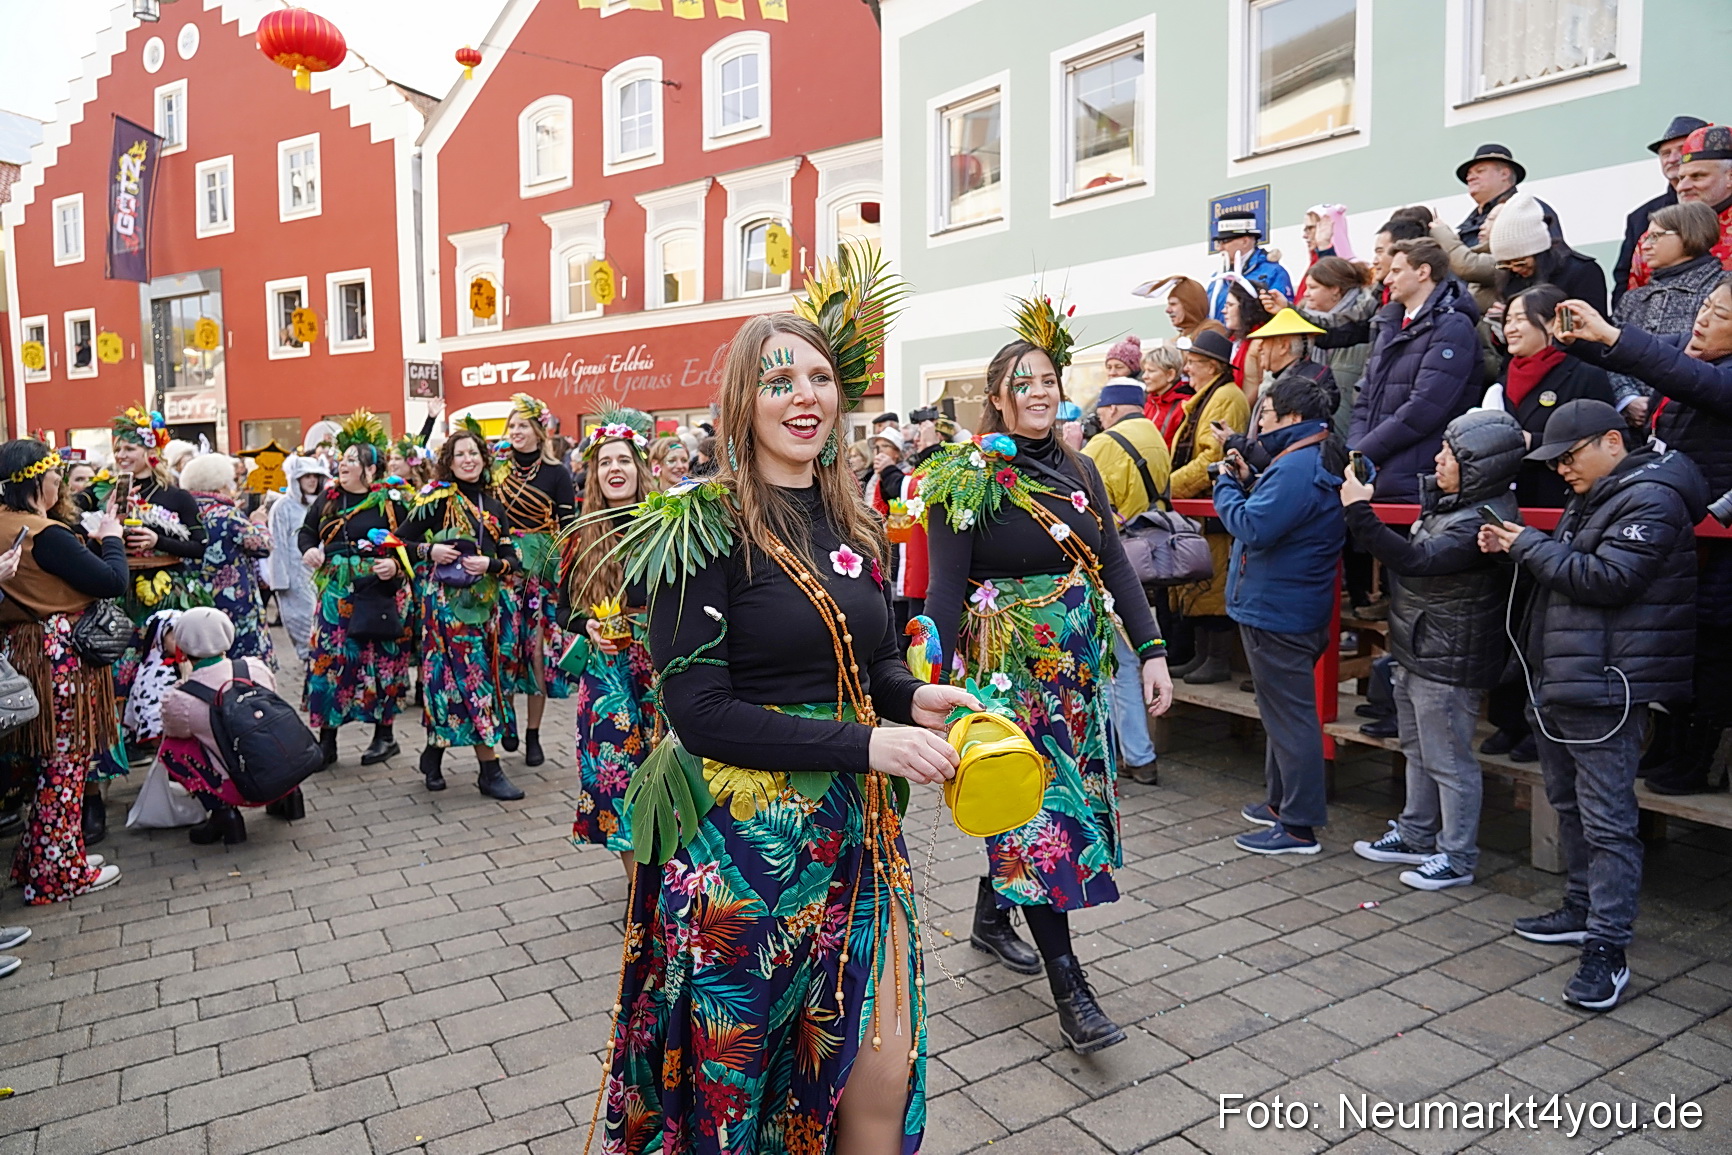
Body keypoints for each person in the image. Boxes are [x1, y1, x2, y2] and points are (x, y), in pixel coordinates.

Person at [592, 267, 977, 1153]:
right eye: (779, 381)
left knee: (880, 1069)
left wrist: (911, 695)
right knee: (745, 1097)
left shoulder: (856, 523)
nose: (805, 397)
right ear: (743, 401)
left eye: (819, 378)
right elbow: (699, 711)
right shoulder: (699, 528)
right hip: (745, 857)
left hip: (859, 834)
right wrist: (872, 744)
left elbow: (871, 659)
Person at [923, 295, 1173, 1055]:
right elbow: (943, 590)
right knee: (1039, 819)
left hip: (1076, 676)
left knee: (1040, 812)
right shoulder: (964, 476)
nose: (1039, 391)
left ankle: (990, 914)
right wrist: (924, 682)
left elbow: (1114, 566)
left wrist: (1152, 650)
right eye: (1023, 382)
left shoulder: (1080, 466)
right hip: (1007, 675)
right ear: (997, 398)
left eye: (1048, 380)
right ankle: (1072, 992)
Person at [1478, 399, 1705, 1010]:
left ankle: (1608, 947)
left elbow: (1608, 580)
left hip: (1607, 683)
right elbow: (1573, 569)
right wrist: (1517, 547)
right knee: (1570, 805)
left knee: (1607, 822)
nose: (1562, 470)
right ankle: (1581, 909)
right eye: (1555, 461)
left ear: (1612, 441)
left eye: (1569, 456)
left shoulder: (1651, 497)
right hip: (1566, 674)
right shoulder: (1600, 492)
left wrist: (1528, 545)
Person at [1554, 285, 1732, 796]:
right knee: (1673, 638)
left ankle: (1700, 758)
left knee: (1713, 644)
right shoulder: (1689, 350)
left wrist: (1610, 336)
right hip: (1679, 523)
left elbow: (1683, 376)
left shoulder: (1711, 372)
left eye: (1719, 314)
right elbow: (1647, 351)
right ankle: (1669, 743)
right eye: (1704, 306)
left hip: (1719, 538)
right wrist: (1581, 338)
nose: (1702, 320)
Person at [1343, 410, 1525, 889]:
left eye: (1451, 454)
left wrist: (1359, 510)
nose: (1438, 459)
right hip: (1419, 644)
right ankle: (1415, 833)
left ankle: (1457, 856)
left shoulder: (1483, 519)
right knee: (1417, 748)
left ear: (1480, 466)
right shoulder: (1451, 504)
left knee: (1449, 759)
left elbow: (1416, 560)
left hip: (1450, 656)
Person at [1215, 378, 1344, 857]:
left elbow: (1253, 525)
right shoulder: (1308, 456)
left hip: (1278, 611)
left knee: (1292, 720)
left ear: (1291, 417)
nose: (1261, 423)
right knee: (1282, 716)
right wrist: (1251, 480)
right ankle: (1281, 804)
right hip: (1290, 606)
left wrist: (1227, 485)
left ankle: (1298, 825)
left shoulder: (1297, 466)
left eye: (1265, 414)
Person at [0, 440, 127, 903]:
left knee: (44, 765)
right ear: (37, 482)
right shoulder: (44, 533)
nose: (60, 485)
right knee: (65, 763)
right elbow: (112, 581)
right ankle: (58, 875)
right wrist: (112, 538)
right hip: (58, 655)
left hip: (21, 649)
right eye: (56, 477)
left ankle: (41, 859)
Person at [399, 426, 522, 801]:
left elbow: (512, 558)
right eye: (460, 454)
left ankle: (433, 752)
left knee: (462, 681)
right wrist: (429, 551)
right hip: (445, 608)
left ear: (484, 459)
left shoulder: (493, 504)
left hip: (487, 607)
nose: (468, 460)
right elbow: (399, 540)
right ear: (449, 463)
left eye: (474, 453)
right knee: (465, 679)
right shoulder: (436, 499)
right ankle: (489, 770)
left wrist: (491, 564)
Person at [559, 414, 657, 884]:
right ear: (594, 474)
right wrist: (588, 625)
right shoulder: (579, 534)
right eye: (604, 462)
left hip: (659, 668)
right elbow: (562, 609)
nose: (614, 468)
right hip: (606, 673)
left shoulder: (665, 525)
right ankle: (638, 891)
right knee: (616, 775)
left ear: (640, 468)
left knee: (667, 774)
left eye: (623, 460)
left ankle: (668, 883)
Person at [298, 411, 413, 770]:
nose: (342, 464)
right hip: (336, 593)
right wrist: (309, 550)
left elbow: (412, 543)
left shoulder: (392, 501)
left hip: (379, 590)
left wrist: (395, 565)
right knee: (329, 660)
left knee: (382, 661)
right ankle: (327, 741)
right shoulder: (329, 498)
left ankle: (385, 736)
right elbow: (307, 532)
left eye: (352, 460)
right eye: (342, 458)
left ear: (371, 469)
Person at [1084, 376, 1172, 786]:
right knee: (1130, 656)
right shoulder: (1157, 437)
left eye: (1102, 409)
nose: (1100, 417)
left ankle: (1137, 754)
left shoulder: (1103, 444)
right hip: (1148, 554)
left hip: (1112, 561)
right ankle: (1135, 753)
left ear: (1113, 408)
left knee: (1117, 663)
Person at [156, 606, 304, 846]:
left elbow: (173, 730)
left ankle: (223, 813)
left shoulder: (182, 698)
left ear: (182, 647)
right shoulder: (255, 668)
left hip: (240, 785)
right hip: (284, 768)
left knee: (171, 748)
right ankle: (291, 796)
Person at [1349, 240, 1482, 504]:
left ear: (1423, 272)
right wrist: (1356, 452)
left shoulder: (1453, 327)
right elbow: (1365, 398)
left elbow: (1424, 407)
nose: (1387, 280)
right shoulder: (1390, 324)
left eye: (1397, 271)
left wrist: (1366, 451)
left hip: (1417, 478)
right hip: (1378, 473)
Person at [493, 393, 577, 769]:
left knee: (536, 654)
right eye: (512, 426)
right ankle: (507, 720)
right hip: (503, 568)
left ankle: (533, 734)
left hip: (541, 572)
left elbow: (569, 527)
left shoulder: (557, 473)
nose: (516, 432)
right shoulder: (496, 471)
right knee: (505, 650)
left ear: (539, 431)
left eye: (523, 425)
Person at [1487, 285, 1618, 509]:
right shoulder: (1502, 382)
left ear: (1551, 323)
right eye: (1507, 320)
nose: (1510, 328)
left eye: (1520, 319)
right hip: (1511, 500)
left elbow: (1600, 441)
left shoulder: (1586, 374)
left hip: (1565, 500)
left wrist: (1534, 441)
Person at [1167, 329, 1249, 685]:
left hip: (1213, 505)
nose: (1187, 368)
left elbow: (1211, 456)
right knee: (1201, 579)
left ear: (1213, 366)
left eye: (1193, 362)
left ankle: (1216, 659)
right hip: (1200, 507)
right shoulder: (1210, 395)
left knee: (1213, 582)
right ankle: (1202, 655)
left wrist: (1169, 485)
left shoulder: (1225, 398)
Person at [1612, 201, 1728, 419]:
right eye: (1646, 237)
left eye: (1655, 236)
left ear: (1689, 233)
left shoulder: (1722, 290)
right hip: (1634, 425)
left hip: (1700, 417)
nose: (1645, 246)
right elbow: (1614, 353)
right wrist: (1627, 398)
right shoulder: (1633, 298)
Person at [180, 454, 274, 667]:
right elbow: (263, 546)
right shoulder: (227, 514)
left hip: (195, 598)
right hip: (233, 600)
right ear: (220, 483)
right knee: (240, 661)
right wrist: (259, 523)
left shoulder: (182, 512)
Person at [1613, 115, 1710, 308]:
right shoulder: (1641, 217)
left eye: (1682, 149)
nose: (1673, 159)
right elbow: (1624, 279)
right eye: (1665, 153)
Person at [1629, 124, 1732, 294]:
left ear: (1730, 177)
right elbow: (1634, 299)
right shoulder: (1654, 236)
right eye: (1681, 178)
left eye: (1697, 176)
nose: (1683, 187)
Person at [1487, 193, 1609, 317]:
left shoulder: (1582, 272)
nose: (1515, 269)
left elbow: (1593, 323)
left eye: (1520, 262)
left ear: (1538, 252)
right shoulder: (1512, 279)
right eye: (1507, 264)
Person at [267, 454, 329, 665]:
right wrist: (280, 580)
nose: (312, 481)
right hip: (294, 576)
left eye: (315, 476)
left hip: (322, 574)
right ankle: (308, 660)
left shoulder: (324, 505)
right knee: (302, 620)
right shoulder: (282, 507)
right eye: (306, 476)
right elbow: (277, 544)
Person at [1208, 211, 1293, 324]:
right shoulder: (1217, 279)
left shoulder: (1273, 273)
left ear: (1245, 241)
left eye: (1225, 241)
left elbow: (1282, 315)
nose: (1220, 248)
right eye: (1219, 242)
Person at [1455, 143, 1537, 249]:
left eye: (1480, 171)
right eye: (1468, 174)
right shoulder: (1467, 225)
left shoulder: (1530, 211)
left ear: (1504, 174)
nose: (1469, 178)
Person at [1141, 274, 1229, 344]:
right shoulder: (1176, 340)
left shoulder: (1212, 330)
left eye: (1173, 304)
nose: (1167, 310)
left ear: (1189, 305)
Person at [1141, 343, 1193, 445]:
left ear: (1170, 374)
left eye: (1151, 371)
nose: (1144, 376)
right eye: (1144, 371)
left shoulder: (1184, 407)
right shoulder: (1150, 403)